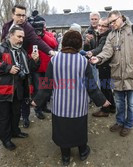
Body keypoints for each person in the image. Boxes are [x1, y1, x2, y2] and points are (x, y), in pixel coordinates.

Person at [32, 30, 110, 166]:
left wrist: (36, 101)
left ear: (64, 43)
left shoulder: (54, 60)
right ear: (79, 44)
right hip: (78, 106)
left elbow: (47, 85)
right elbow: (91, 86)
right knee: (79, 129)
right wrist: (103, 101)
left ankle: (65, 157)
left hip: (60, 106)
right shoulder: (83, 61)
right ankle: (83, 151)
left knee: (62, 130)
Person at [90, 10, 133, 137]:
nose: (112, 24)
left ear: (121, 17)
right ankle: (119, 122)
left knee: (132, 103)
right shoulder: (111, 35)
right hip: (117, 74)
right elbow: (107, 51)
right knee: (119, 102)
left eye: (114, 21)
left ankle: (128, 124)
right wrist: (99, 58)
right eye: (110, 23)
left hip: (132, 73)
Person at [0, 26, 40, 150]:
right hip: (0, 90)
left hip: (17, 89)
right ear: (10, 35)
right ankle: (6, 139)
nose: (21, 40)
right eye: (19, 36)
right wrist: (8, 68)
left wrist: (35, 60)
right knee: (3, 117)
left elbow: (29, 69)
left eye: (23, 37)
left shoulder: (23, 51)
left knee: (16, 113)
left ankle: (15, 131)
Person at [1, 5, 55, 126]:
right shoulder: (6, 26)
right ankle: (12, 118)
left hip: (24, 62)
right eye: (19, 15)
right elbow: (3, 43)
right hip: (8, 63)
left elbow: (37, 41)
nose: (21, 18)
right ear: (12, 15)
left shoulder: (27, 27)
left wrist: (50, 51)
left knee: (25, 91)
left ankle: (25, 117)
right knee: (11, 92)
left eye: (23, 15)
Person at [23, 13, 58, 123]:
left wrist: (42, 35)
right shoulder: (30, 36)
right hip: (36, 68)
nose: (43, 27)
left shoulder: (47, 34)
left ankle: (44, 107)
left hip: (47, 67)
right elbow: (27, 50)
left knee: (47, 89)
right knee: (38, 89)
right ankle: (38, 109)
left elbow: (54, 44)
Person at [86, 17, 116, 117]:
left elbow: (100, 48)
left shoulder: (106, 36)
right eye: (99, 25)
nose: (101, 27)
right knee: (107, 87)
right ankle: (112, 107)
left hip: (105, 65)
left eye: (104, 26)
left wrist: (92, 53)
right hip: (104, 64)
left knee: (105, 88)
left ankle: (105, 110)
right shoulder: (101, 35)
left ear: (109, 27)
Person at [83, 11, 100, 86]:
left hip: (103, 58)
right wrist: (87, 42)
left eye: (95, 19)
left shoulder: (103, 30)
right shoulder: (87, 32)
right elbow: (85, 49)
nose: (94, 21)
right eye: (92, 19)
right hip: (92, 59)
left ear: (99, 19)